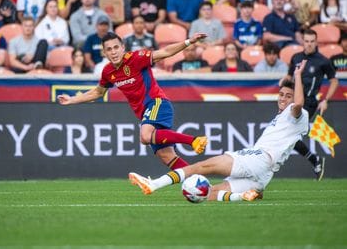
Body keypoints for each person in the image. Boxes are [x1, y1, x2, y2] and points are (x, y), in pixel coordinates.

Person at [129, 61, 309, 202]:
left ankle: (153, 184)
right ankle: (244, 196)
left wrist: (298, 75)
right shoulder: (284, 118)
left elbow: (299, 104)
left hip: (257, 159)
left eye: (288, 96)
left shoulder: (296, 114)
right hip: (264, 175)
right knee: (207, 194)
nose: (283, 99)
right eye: (281, 94)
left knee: (201, 167)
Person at [58, 31, 209, 172]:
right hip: (145, 113)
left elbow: (165, 52)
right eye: (109, 49)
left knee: (145, 136)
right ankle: (198, 181)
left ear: (123, 47)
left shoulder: (137, 58)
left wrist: (189, 41)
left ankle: (194, 141)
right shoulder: (108, 71)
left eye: (116, 47)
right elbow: (98, 92)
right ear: (104, 53)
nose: (113, 52)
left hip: (157, 103)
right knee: (166, 155)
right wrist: (72, 100)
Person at [280, 29, 339, 180]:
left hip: (309, 102)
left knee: (290, 134)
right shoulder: (296, 57)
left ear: (316, 42)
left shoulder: (323, 61)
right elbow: (289, 76)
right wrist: (284, 81)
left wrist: (326, 99)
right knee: (288, 135)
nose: (309, 44)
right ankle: (314, 160)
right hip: (292, 101)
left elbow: (334, 81)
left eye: (312, 41)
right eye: (306, 41)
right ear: (303, 42)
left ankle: (313, 160)